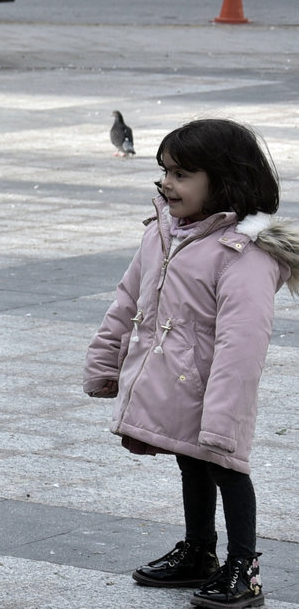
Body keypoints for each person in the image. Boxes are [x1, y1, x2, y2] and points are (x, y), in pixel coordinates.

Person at [85, 118, 296, 609]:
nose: (166, 183)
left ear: (223, 179)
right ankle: (199, 550)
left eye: (181, 174)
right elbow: (127, 298)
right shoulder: (164, 232)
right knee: (188, 457)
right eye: (164, 171)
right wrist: (104, 360)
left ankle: (244, 568)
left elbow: (242, 346)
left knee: (225, 465)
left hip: (214, 387)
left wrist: (225, 416)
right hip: (172, 378)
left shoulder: (243, 254)